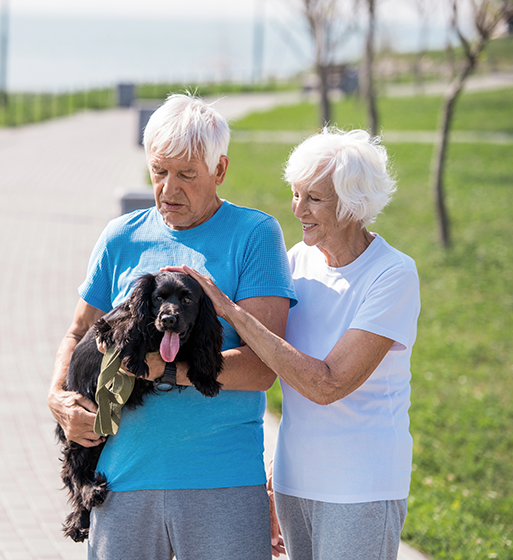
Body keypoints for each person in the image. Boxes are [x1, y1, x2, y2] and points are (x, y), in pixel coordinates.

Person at [48, 93, 296, 560]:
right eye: (159, 172)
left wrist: (154, 371)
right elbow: (77, 331)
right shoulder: (121, 237)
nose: (168, 189)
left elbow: (263, 369)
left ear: (219, 170)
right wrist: (57, 397)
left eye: (187, 174)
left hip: (220, 483)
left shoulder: (254, 236)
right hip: (120, 480)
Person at [173, 127, 421, 560]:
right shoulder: (295, 262)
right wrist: (274, 479)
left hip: (361, 488)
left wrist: (233, 312)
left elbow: (326, 385)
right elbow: (282, 373)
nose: (298, 209)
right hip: (295, 482)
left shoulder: (393, 275)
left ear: (352, 203)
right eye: (296, 194)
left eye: (315, 199)